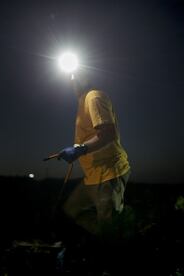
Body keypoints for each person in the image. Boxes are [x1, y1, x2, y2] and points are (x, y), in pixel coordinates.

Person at [57, 72, 130, 241]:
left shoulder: (93, 96)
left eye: (76, 77)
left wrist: (80, 150)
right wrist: (77, 149)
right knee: (70, 211)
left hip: (109, 174)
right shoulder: (83, 101)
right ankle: (108, 238)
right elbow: (91, 136)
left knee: (109, 231)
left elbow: (108, 133)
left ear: (86, 78)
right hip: (92, 177)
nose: (72, 81)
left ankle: (114, 254)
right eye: (71, 78)